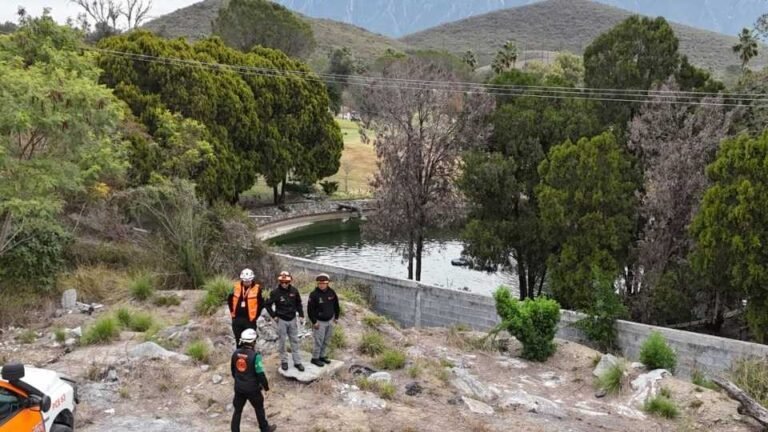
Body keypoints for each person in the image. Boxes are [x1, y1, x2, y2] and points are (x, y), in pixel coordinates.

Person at [230, 328, 276, 432]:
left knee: (237, 411)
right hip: (253, 389)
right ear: (253, 342)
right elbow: (260, 374)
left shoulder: (235, 353)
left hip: (239, 388)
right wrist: (266, 387)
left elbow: (233, 371)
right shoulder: (255, 356)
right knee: (259, 408)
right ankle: (264, 428)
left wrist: (239, 381)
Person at [266, 271, 305, 372]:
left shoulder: (294, 291)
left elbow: (299, 303)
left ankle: (297, 362)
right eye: (282, 282)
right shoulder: (275, 293)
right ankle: (284, 361)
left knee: (294, 340)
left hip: (292, 319)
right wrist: (274, 316)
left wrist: (301, 315)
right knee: (282, 342)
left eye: (286, 282)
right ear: (279, 281)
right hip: (281, 320)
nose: (284, 284)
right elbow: (267, 305)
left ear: (290, 281)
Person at [307, 273, 340, 367]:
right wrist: (314, 322)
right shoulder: (314, 294)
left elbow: (336, 305)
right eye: (320, 283)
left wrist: (336, 317)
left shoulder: (332, 292)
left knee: (326, 340)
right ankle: (315, 358)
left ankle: (322, 356)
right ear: (317, 283)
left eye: (324, 283)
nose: (321, 285)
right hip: (319, 322)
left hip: (330, 321)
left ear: (327, 283)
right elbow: (310, 310)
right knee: (319, 341)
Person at [228, 268, 266, 347]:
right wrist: (232, 314)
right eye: (245, 281)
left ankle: (250, 354)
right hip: (237, 319)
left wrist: (255, 317)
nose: (247, 282)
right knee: (239, 342)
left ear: (252, 279)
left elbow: (261, 304)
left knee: (250, 342)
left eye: (249, 281)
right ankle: (239, 353)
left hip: (250, 320)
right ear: (242, 279)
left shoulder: (257, 289)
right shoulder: (236, 287)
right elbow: (230, 300)